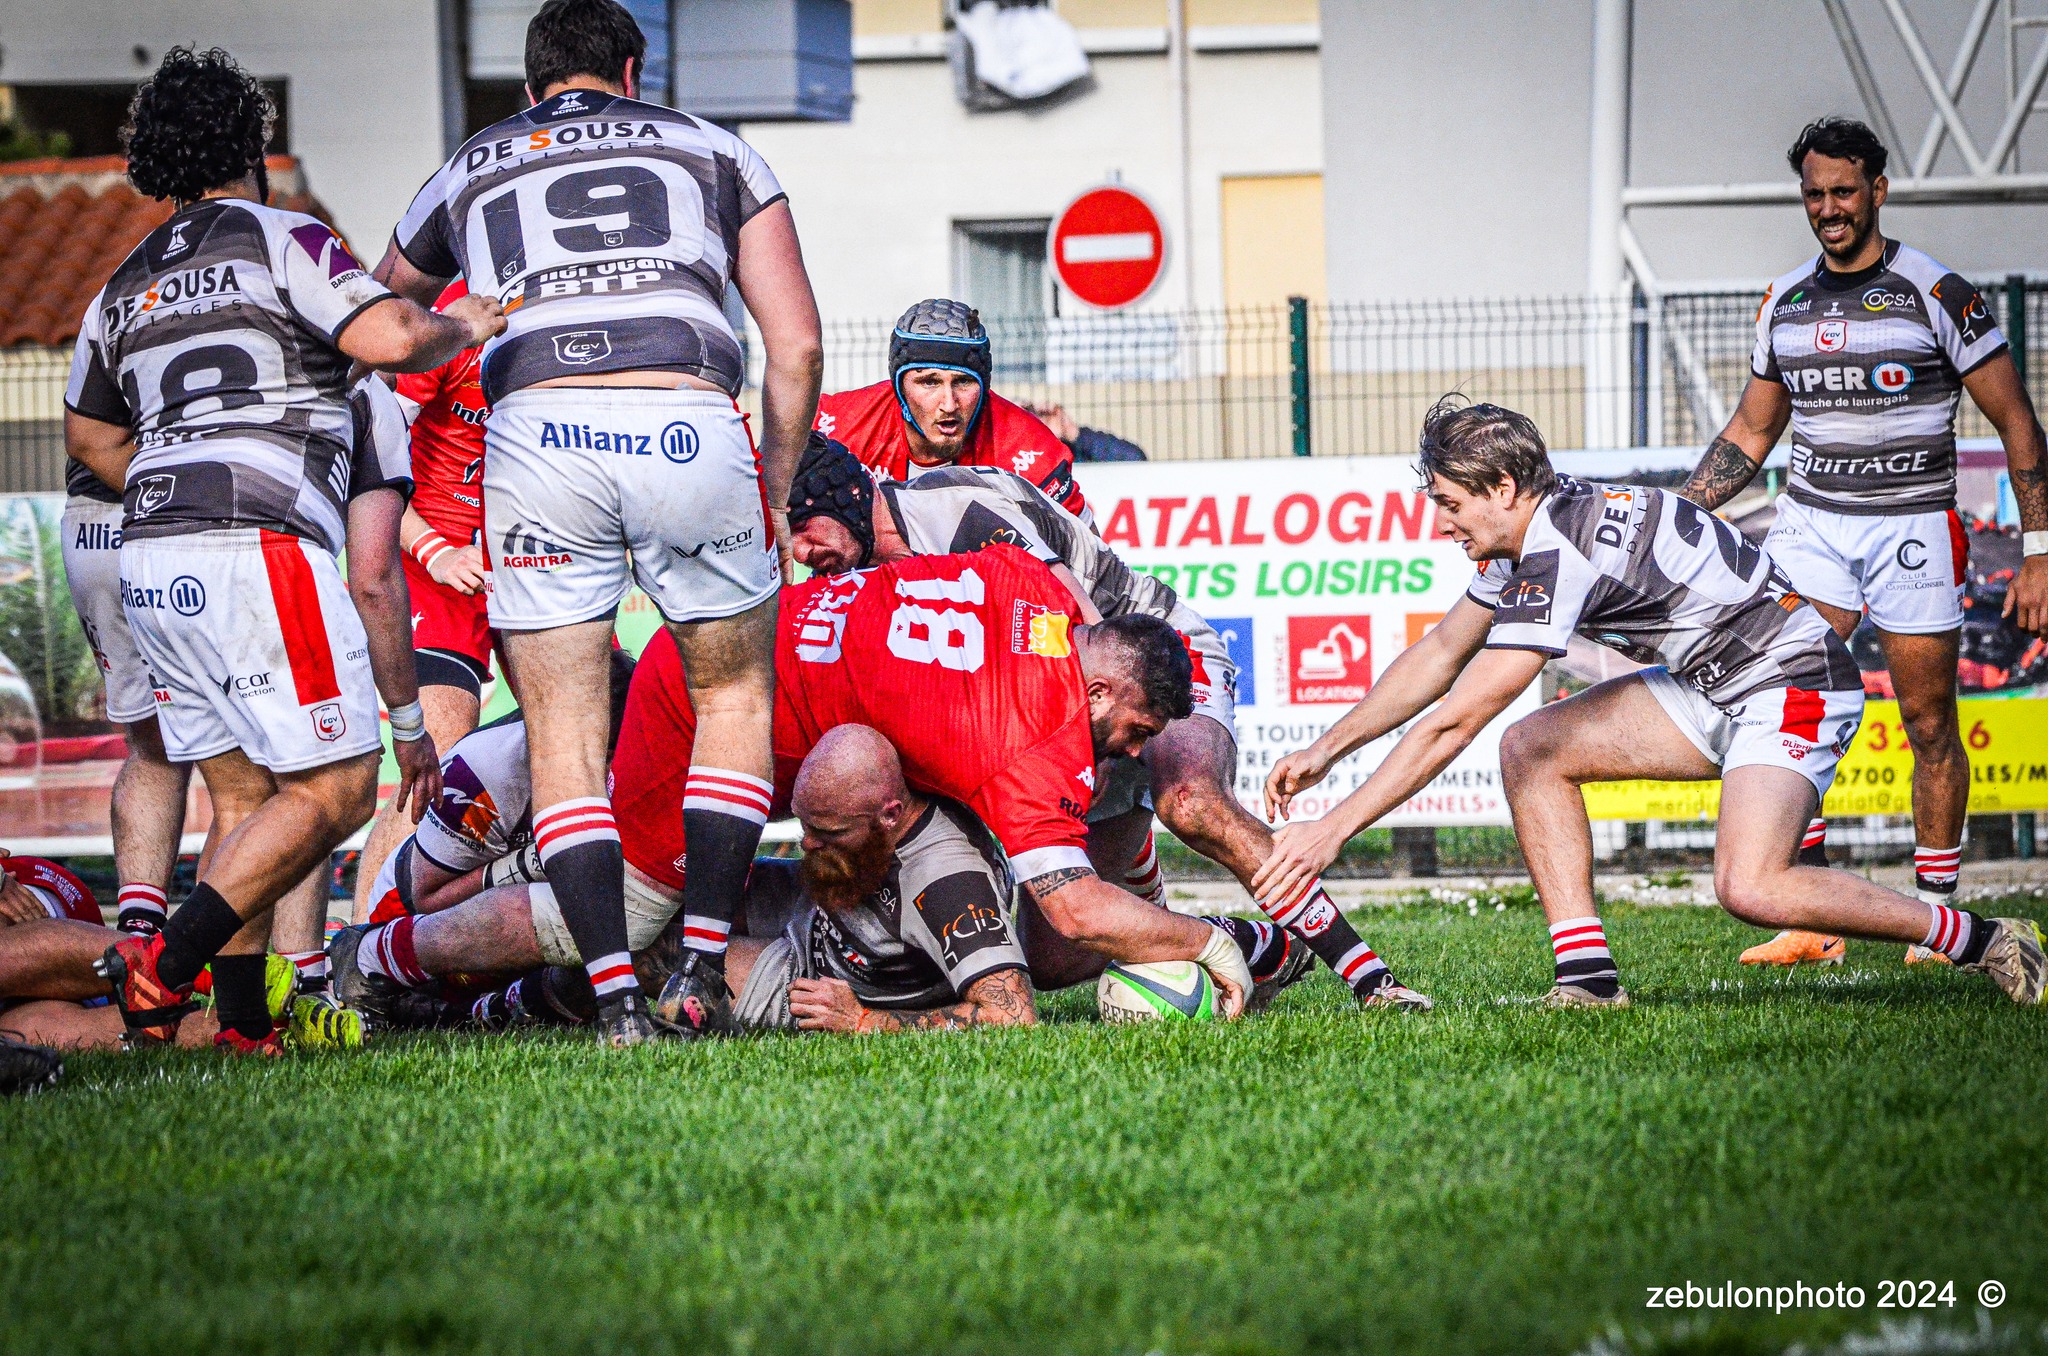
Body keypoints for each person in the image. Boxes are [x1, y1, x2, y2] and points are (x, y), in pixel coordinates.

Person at [1258, 398, 2045, 1008]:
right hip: (1716, 682)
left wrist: (1335, 827)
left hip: (1790, 685)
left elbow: (1458, 715)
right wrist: (1327, 750)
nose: (1442, 523)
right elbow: (1438, 653)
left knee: (1752, 887)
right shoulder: (1533, 525)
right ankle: (1589, 978)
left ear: (1501, 488)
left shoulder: (1556, 547)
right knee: (1533, 748)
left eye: (1450, 504)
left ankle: (1982, 937)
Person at [372, 0, 824, 1045]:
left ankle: (615, 996)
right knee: (732, 696)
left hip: (537, 435)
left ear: (530, 86)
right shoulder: (716, 147)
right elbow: (792, 345)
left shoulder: (474, 160)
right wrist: (778, 483)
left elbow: (385, 316)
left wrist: (461, 324)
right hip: (688, 418)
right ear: (632, 68)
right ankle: (699, 968)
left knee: (565, 735)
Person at [332, 549, 1252, 1030]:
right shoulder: (1035, 740)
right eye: (1131, 729)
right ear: (1097, 690)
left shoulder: (1030, 589)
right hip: (701, 701)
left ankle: (431, 941)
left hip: (730, 646)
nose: (1124, 751)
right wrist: (1207, 941)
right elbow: (1080, 912)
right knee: (612, 916)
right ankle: (373, 966)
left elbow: (1049, 602)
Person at [64, 46, 493, 1055]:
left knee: (246, 799)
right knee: (339, 787)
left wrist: (172, 475)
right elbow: (388, 336)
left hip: (151, 552)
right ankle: (164, 968)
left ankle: (245, 1027)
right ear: (251, 143)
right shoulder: (281, 236)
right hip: (250, 546)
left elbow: (88, 439)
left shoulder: (120, 285)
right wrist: (457, 322)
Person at [786, 437, 1422, 1008]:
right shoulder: (860, 569)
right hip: (1083, 700)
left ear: (846, 501)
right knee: (1052, 959)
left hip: (1150, 662)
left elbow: (1076, 638)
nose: (800, 551)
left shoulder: (959, 514)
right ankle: (1245, 941)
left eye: (806, 528)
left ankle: (1369, 977)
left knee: (1191, 800)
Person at [1678, 117, 2048, 967]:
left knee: (1926, 719)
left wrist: (2038, 552)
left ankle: (1936, 914)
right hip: (1812, 523)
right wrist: (1687, 508)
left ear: (1877, 191)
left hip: (1912, 527)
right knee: (1785, 696)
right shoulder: (1785, 301)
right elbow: (1750, 431)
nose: (1828, 208)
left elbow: (2018, 420)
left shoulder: (1938, 292)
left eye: (1843, 191)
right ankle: (1808, 912)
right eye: (1814, 193)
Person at [353, 280, 496, 919]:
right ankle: (362, 945)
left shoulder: (579, 300)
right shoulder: (460, 310)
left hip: (534, 565)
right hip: (436, 568)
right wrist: (437, 549)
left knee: (580, 742)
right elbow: (373, 463)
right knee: (433, 755)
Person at [58, 457, 190, 939]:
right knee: (251, 778)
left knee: (153, 752)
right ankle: (245, 961)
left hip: (98, 526)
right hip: (195, 521)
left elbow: (85, 434)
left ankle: (140, 939)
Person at [816, 300, 1090, 521]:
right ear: (899, 388)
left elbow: (1090, 563)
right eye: (929, 382)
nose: (949, 404)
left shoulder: (1028, 448)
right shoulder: (840, 425)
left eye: (963, 382)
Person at [1024, 401, 1147, 463]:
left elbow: (1134, 458)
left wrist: (1073, 432)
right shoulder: (1011, 466)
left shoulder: (1072, 451)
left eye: (1032, 412)